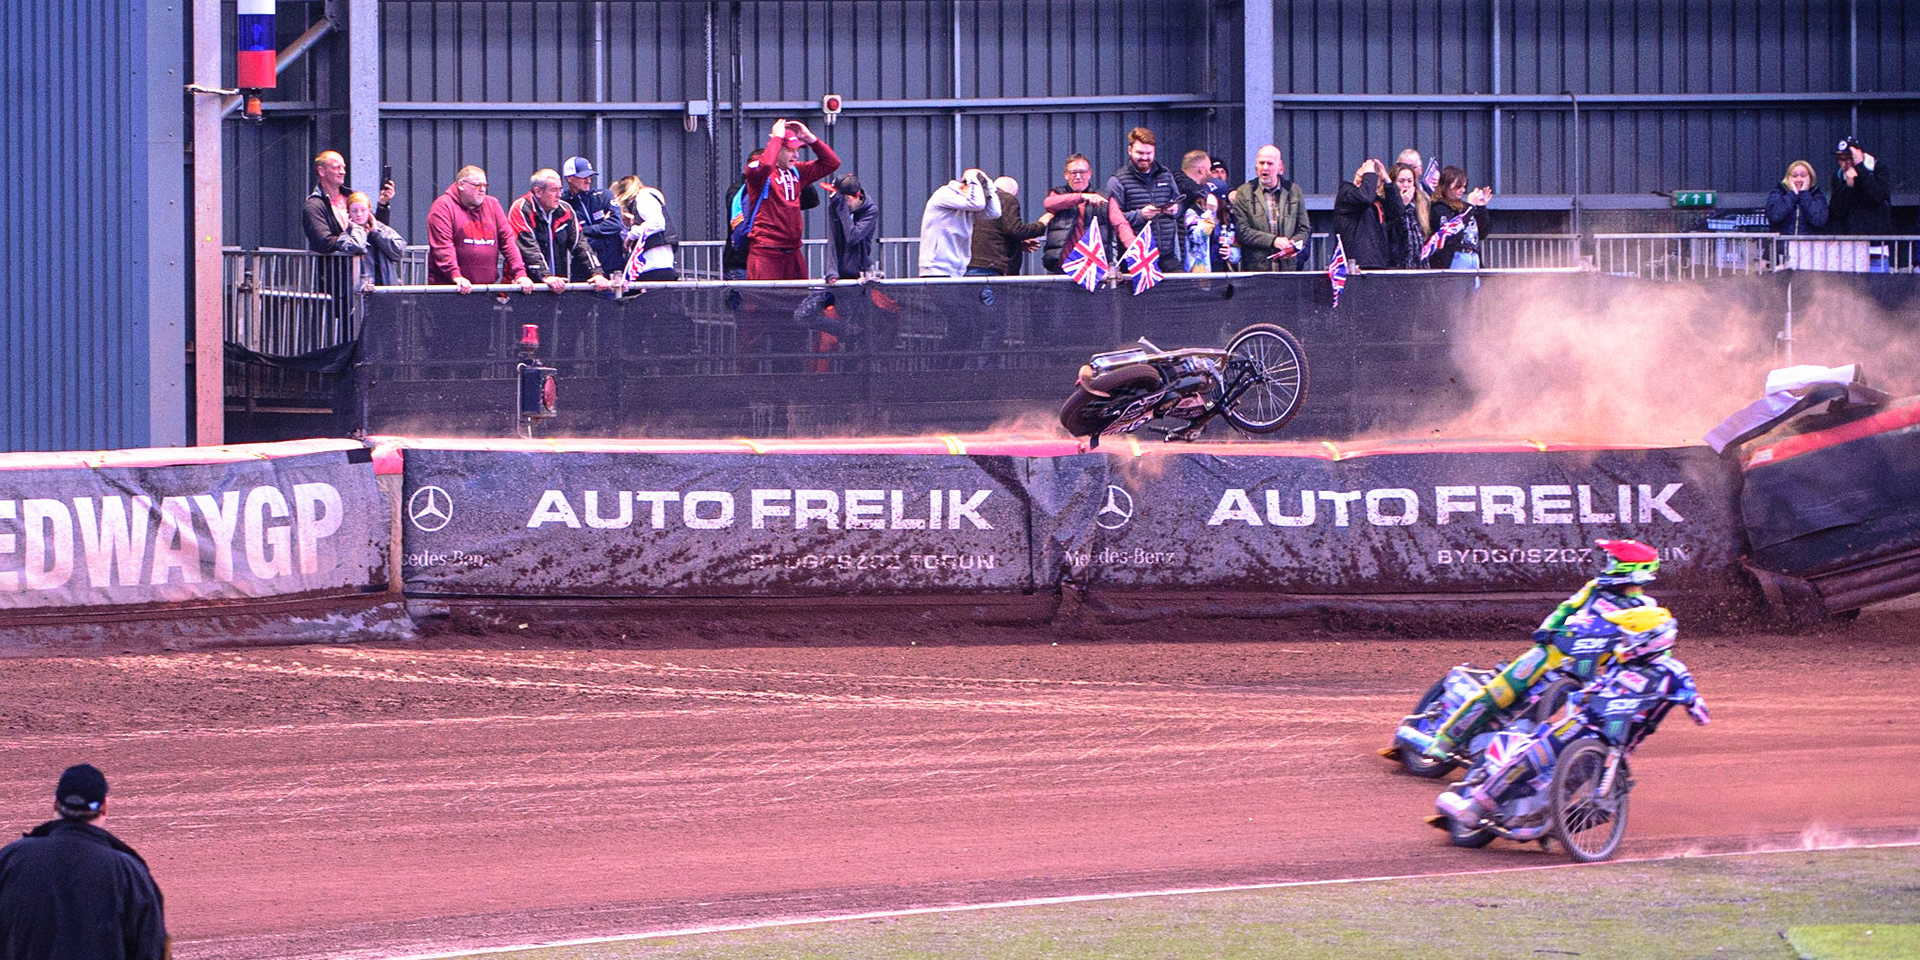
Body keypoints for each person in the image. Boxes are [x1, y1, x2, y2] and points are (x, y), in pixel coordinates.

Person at [1435, 606, 1710, 829]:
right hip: (1580, 725)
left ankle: (1557, 828)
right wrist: (1587, 693)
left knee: (1605, 805)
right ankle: (1476, 806)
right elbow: (1597, 687)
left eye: (1629, 639)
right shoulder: (1620, 663)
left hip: (1615, 746)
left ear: (1649, 641)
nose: (1623, 643)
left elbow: (1701, 712)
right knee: (1532, 758)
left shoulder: (1674, 673)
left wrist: (1693, 704)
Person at [1397, 539, 1663, 762]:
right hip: (1545, 655)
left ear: (1633, 570)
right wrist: (1548, 628)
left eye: (1613, 562)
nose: (1608, 566)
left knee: (1536, 720)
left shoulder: (1644, 608)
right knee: (1497, 694)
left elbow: (1639, 648)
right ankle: (1444, 740)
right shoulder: (1595, 588)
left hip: (1577, 676)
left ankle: (1503, 763)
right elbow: (1566, 609)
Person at [0, 764, 169, 960]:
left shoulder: (10, 860)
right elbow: (152, 951)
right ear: (104, 806)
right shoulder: (130, 874)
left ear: (55, 804)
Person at [743, 119, 840, 279]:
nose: (796, 155)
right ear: (777, 149)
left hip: (793, 252)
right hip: (766, 253)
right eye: (790, 150)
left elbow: (832, 163)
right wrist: (776, 138)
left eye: (797, 150)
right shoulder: (757, 170)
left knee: (798, 301)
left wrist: (811, 139)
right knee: (762, 302)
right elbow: (766, 165)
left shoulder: (797, 172)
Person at [1107, 127, 1202, 274]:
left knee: (1182, 290)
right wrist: (1140, 215)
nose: (1144, 157)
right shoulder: (1117, 180)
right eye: (1140, 153)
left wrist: (1175, 210)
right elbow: (1113, 219)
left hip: (1167, 255)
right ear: (1129, 150)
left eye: (1149, 153)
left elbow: (1179, 205)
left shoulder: (1166, 174)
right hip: (1135, 258)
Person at [426, 165, 534, 294]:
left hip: (486, 290)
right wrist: (456, 276)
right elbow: (443, 247)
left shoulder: (492, 204)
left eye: (485, 186)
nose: (482, 190)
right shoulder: (443, 206)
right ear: (461, 184)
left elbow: (508, 241)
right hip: (451, 290)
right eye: (477, 185)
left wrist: (520, 274)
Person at [507, 169, 612, 292]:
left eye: (560, 189)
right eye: (554, 190)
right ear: (538, 192)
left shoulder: (565, 210)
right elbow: (529, 248)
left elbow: (580, 244)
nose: (559, 195)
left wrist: (596, 273)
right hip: (526, 287)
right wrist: (545, 276)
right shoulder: (521, 209)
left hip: (557, 285)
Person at [1228, 145, 1311, 271]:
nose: (1265, 167)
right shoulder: (1244, 192)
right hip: (1256, 269)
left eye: (1270, 163)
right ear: (1256, 166)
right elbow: (1243, 231)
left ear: (1280, 167)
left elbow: (1304, 228)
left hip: (1287, 268)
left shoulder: (1294, 191)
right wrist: (1273, 241)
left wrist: (1293, 244)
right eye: (1261, 163)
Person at [302, 150, 394, 253]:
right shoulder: (314, 206)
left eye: (343, 167)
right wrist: (353, 243)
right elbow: (323, 242)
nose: (343, 172)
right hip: (335, 268)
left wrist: (383, 204)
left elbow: (374, 228)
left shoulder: (351, 197)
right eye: (336, 167)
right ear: (321, 171)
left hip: (364, 267)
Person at [918, 167, 1000, 277]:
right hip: (936, 267)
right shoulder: (945, 194)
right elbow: (977, 204)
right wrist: (971, 177)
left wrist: (989, 187)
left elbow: (994, 213)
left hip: (958, 269)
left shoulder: (967, 206)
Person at [559, 156, 629, 283]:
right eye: (583, 176)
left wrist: (584, 230)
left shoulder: (604, 196)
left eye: (590, 176)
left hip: (612, 270)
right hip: (582, 273)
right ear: (569, 178)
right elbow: (569, 236)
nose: (588, 180)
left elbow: (616, 224)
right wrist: (601, 228)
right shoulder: (562, 203)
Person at [1041, 154, 1112, 274]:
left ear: (1090, 173)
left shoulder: (1103, 197)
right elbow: (1049, 203)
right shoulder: (1058, 193)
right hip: (1063, 267)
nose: (1078, 177)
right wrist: (1082, 196)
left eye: (1082, 172)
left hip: (1093, 267)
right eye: (1073, 172)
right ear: (1066, 175)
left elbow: (1120, 223)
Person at [1331, 158, 1406, 270]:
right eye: (1361, 177)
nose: (1360, 181)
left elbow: (1398, 211)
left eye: (1365, 179)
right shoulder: (1346, 193)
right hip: (1356, 265)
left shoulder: (1377, 201)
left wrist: (1388, 182)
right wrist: (1370, 175)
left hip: (1379, 262)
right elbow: (1365, 198)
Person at [967, 176, 1045, 276]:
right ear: (1014, 192)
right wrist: (1041, 224)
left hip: (970, 262)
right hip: (992, 264)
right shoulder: (1007, 198)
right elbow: (1015, 230)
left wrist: (1017, 244)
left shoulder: (977, 201)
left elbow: (991, 232)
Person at [1425, 165, 1492, 270]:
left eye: (1464, 187)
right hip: (1455, 257)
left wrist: (1481, 207)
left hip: (1473, 255)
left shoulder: (1465, 207)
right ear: (1445, 186)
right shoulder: (1438, 208)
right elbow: (1452, 233)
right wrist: (1470, 206)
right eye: (1458, 187)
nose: (1462, 190)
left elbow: (1483, 233)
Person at [1829, 136, 1893, 239]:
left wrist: (1860, 168)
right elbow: (1836, 211)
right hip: (1849, 239)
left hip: (1875, 237)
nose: (1844, 163)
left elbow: (1878, 197)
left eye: (1848, 158)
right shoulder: (1838, 177)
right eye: (1840, 159)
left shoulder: (1878, 169)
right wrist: (1848, 186)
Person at [619, 175, 679, 283]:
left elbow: (657, 223)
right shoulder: (647, 198)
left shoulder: (643, 196)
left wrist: (631, 235)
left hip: (651, 265)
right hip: (659, 264)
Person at [344, 190, 406, 289]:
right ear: (348, 213)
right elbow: (358, 246)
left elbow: (399, 250)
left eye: (363, 210)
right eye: (354, 211)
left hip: (387, 288)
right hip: (361, 291)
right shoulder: (345, 236)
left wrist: (376, 234)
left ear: (369, 211)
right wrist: (357, 229)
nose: (359, 214)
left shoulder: (382, 229)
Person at [826, 174, 878, 281]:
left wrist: (842, 208)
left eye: (845, 199)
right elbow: (833, 239)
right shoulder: (836, 207)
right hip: (839, 272)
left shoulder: (870, 211)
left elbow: (852, 237)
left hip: (859, 273)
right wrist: (832, 272)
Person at [1175, 150, 1221, 273]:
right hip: (1182, 257)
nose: (1211, 174)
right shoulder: (1178, 185)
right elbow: (1186, 186)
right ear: (1202, 169)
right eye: (1210, 169)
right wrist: (1207, 195)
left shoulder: (1197, 191)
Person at [1764, 160, 1829, 236]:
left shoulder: (1817, 195)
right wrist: (1792, 194)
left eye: (1803, 175)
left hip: (1809, 246)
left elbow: (1819, 220)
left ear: (1810, 177)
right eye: (1794, 176)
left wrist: (1804, 194)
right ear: (1788, 178)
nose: (1799, 179)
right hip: (1783, 245)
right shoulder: (1778, 193)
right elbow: (1775, 216)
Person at [1386, 162, 1428, 268]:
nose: (1406, 185)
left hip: (1417, 264)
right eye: (1401, 181)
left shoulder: (1420, 204)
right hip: (1396, 264)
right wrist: (1401, 205)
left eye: (1410, 181)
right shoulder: (1385, 203)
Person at [1395, 147, 1434, 237]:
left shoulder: (1427, 193)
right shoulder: (1387, 195)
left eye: (1412, 167)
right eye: (1403, 166)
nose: (1407, 170)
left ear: (1420, 169)